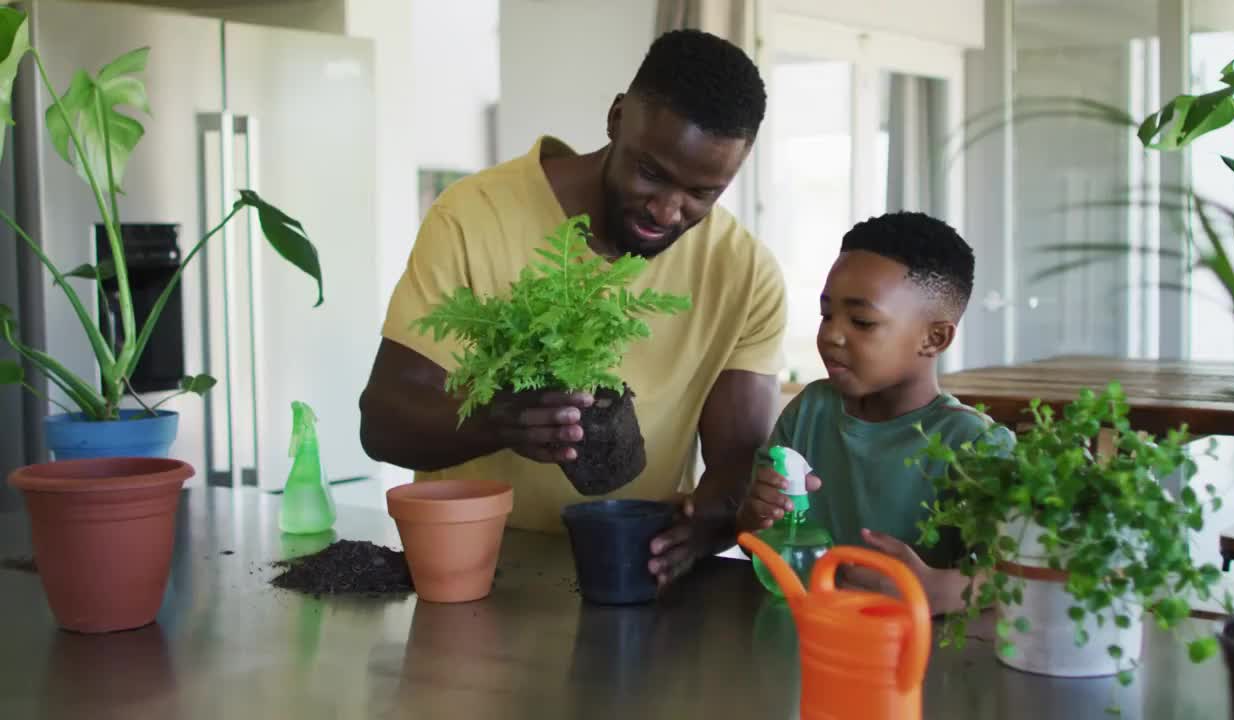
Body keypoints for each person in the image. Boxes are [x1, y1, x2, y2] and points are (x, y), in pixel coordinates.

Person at [359, 29, 785, 587]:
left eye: (701, 193)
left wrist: (708, 527)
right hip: (475, 573)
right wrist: (502, 419)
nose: (666, 209)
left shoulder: (746, 272)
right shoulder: (474, 215)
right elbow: (383, 424)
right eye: (651, 172)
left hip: (631, 574)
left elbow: (737, 461)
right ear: (615, 118)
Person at [737, 211, 1009, 613]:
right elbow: (753, 540)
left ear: (934, 338)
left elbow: (1020, 577)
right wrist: (757, 513)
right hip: (817, 639)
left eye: (862, 321)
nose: (831, 334)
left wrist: (935, 591)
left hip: (921, 658)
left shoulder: (972, 444)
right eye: (826, 314)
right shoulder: (811, 410)